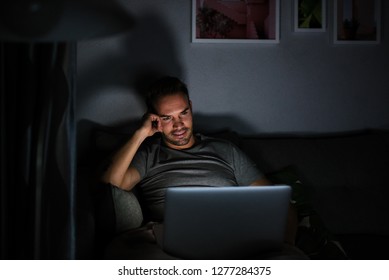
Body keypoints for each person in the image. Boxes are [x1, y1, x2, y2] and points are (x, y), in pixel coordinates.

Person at [101, 76, 305, 259]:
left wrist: (284, 248)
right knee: (129, 253)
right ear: (154, 119)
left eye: (183, 113)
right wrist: (140, 133)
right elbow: (110, 184)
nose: (179, 124)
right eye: (167, 118)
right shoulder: (148, 154)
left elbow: (279, 204)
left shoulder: (225, 150)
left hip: (232, 238)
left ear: (190, 106)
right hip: (170, 244)